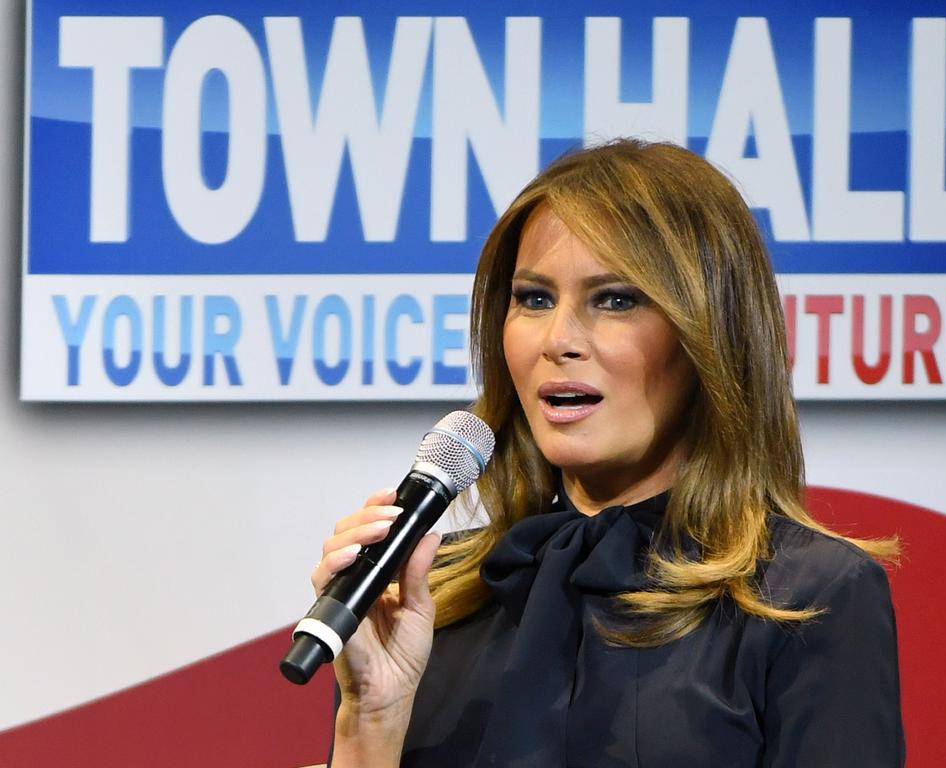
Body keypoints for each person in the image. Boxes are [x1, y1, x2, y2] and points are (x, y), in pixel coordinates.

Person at [311, 139, 904, 767]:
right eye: (534, 299)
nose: (558, 339)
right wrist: (370, 721)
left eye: (616, 299)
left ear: (710, 333)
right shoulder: (423, 592)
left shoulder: (807, 594)